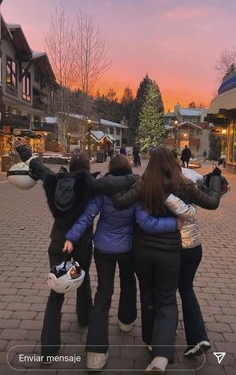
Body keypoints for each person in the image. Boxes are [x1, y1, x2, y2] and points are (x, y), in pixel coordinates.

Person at [13, 139, 137, 364]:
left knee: (56, 291)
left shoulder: (53, 180)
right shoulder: (88, 183)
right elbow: (111, 186)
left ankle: (49, 350)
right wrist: (135, 177)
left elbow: (37, 166)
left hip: (58, 241)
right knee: (84, 278)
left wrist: (23, 149)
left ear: (69, 167)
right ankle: (85, 318)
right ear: (88, 169)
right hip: (81, 242)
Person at [63, 154, 178, 371]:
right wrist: (175, 223)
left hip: (103, 248)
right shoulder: (136, 190)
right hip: (126, 248)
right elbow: (145, 222)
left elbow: (87, 216)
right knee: (128, 283)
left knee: (103, 293)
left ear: (110, 170)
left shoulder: (102, 190)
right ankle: (126, 320)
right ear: (127, 169)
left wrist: (71, 236)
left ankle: (95, 352)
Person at [112, 147, 222, 373]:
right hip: (169, 252)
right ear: (173, 163)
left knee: (148, 295)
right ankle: (162, 354)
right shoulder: (183, 185)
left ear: (150, 163)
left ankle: (151, 342)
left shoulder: (143, 184)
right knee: (166, 300)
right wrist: (216, 179)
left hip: (141, 252)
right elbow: (212, 202)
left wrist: (114, 181)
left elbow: (120, 202)